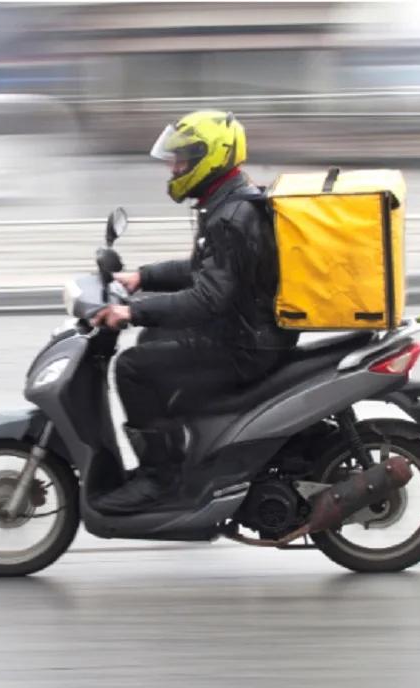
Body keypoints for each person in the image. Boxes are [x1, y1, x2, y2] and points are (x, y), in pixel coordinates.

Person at [89, 110, 300, 514]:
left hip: (245, 346)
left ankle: (160, 479)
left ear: (211, 158)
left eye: (182, 159)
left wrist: (131, 312)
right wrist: (142, 277)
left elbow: (207, 298)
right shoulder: (229, 202)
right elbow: (206, 269)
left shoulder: (230, 216)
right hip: (250, 332)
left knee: (133, 369)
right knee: (153, 340)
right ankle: (190, 454)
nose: (174, 168)